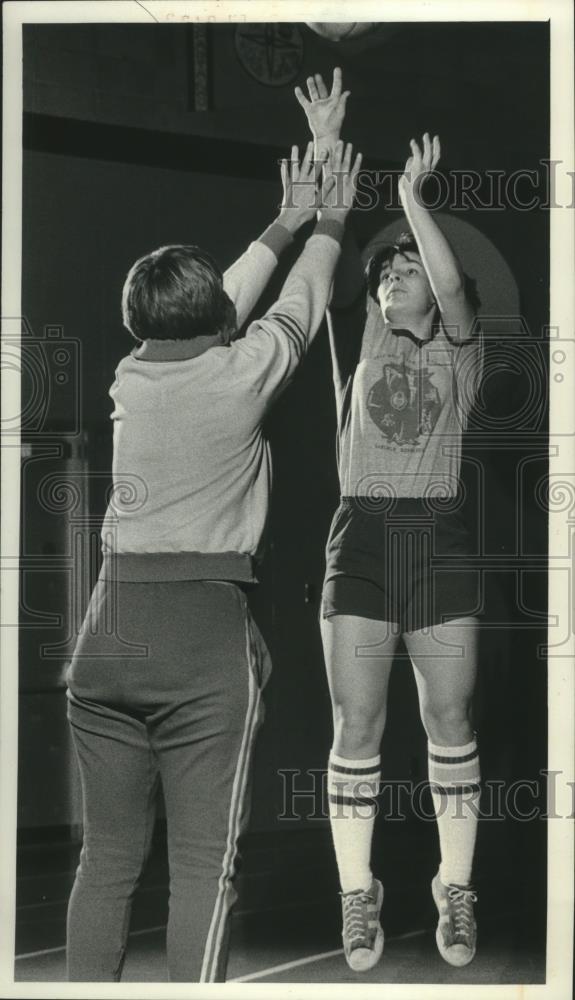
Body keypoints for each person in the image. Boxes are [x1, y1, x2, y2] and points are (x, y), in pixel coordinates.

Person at [65, 139, 362, 982]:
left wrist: (283, 215)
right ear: (215, 324)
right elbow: (301, 296)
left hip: (108, 632)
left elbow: (210, 306)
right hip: (201, 629)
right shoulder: (243, 371)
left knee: (107, 863)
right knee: (201, 866)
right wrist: (327, 212)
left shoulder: (129, 377)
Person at [296, 70, 483, 972]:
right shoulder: (359, 340)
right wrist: (329, 147)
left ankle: (454, 888)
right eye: (386, 276)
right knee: (355, 725)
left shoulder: (459, 351)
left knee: (448, 717)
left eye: (405, 270)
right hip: (361, 531)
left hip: (435, 532)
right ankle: (355, 895)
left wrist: (411, 201)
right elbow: (326, 246)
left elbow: (450, 286)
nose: (394, 280)